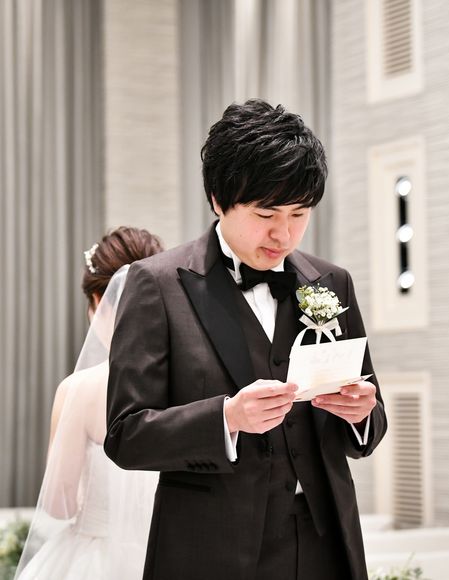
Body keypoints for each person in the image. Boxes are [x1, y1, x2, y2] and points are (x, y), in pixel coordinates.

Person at [104, 99, 387, 580]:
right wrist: (227, 418)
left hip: (325, 546)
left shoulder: (331, 282)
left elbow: (370, 427)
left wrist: (362, 415)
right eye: (266, 213)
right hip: (210, 551)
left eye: (300, 214)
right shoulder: (157, 284)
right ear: (218, 200)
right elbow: (125, 436)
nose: (284, 234)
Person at [15, 227, 164, 580]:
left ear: (97, 300)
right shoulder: (188, 384)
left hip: (93, 559)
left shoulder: (78, 391)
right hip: (167, 556)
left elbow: (59, 505)